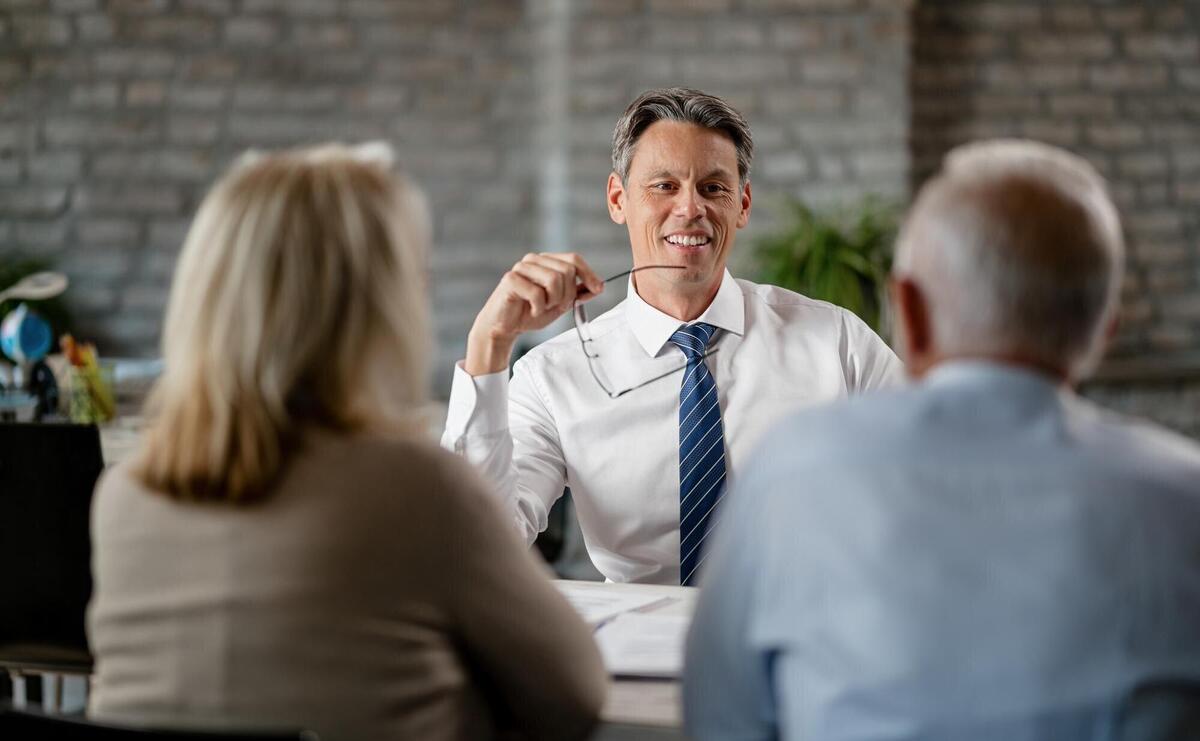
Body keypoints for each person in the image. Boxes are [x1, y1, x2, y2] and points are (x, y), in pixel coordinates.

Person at [87, 144, 606, 741]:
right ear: (374, 308)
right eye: (416, 277)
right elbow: (575, 697)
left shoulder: (122, 497)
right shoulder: (418, 490)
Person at [683, 140, 1200, 739]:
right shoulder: (1183, 498)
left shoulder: (791, 470)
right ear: (1101, 330)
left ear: (910, 310)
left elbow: (721, 722)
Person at [442, 87, 902, 585]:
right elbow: (471, 546)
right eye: (664, 186)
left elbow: (937, 477)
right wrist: (489, 343)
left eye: (713, 188)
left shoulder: (836, 343)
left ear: (742, 205)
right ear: (619, 200)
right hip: (634, 652)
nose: (690, 209)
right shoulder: (551, 377)